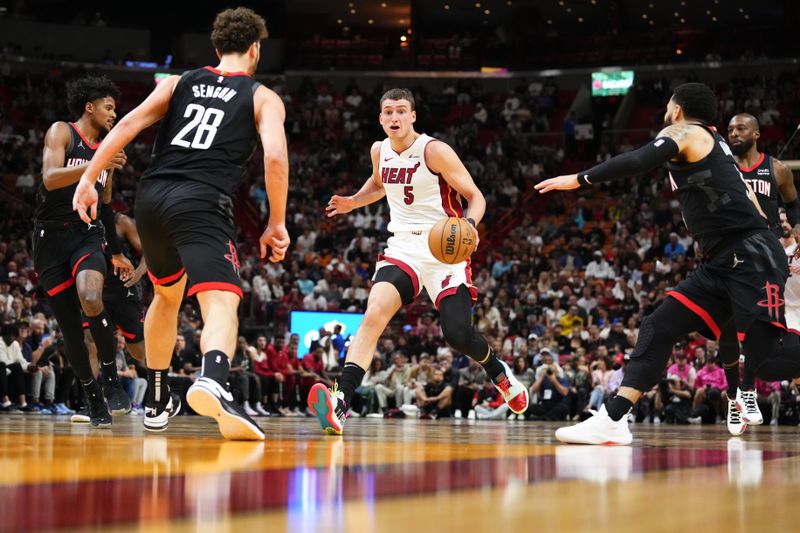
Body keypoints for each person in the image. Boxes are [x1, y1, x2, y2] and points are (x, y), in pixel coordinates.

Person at [536, 82, 800, 445]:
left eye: (667, 106)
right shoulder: (717, 143)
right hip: (723, 259)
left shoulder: (686, 131)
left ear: (677, 109)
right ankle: (613, 418)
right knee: (658, 326)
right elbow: (750, 198)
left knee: (767, 357)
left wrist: (579, 179)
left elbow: (639, 159)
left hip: (749, 257)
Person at [72, 7, 289, 440]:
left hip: (152, 199)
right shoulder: (262, 96)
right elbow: (276, 157)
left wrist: (88, 178)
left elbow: (129, 123)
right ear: (255, 50)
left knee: (167, 294)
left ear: (214, 48)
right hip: (202, 200)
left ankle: (155, 398)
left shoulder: (178, 82)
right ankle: (213, 380)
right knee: (222, 299)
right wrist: (276, 223)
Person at [307, 87, 528, 435]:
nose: (394, 117)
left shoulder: (434, 150)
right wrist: (353, 201)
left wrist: (469, 226)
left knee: (457, 335)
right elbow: (380, 184)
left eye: (401, 111)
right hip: (403, 247)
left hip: (445, 250)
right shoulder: (379, 150)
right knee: (374, 313)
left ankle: (499, 373)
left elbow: (475, 196)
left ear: (413, 116)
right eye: (388, 112)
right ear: (380, 118)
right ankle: (341, 400)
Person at [35, 75, 133, 426]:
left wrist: (117, 251)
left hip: (87, 233)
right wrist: (97, 165)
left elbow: (105, 205)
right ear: (89, 107)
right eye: (108, 107)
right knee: (71, 332)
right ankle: (93, 400)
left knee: (91, 296)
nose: (113, 114)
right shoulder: (62, 131)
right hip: (49, 240)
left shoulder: (109, 149)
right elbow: (49, 178)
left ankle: (110, 379)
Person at [716, 114, 800, 434]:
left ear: (756, 133)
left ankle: (747, 393)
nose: (734, 134)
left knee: (758, 325)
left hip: (765, 254)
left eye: (740, 129)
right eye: (730, 130)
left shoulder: (777, 168)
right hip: (727, 252)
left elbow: (794, 206)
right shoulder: (723, 167)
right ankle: (734, 393)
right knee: (725, 331)